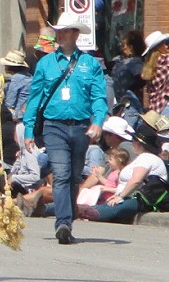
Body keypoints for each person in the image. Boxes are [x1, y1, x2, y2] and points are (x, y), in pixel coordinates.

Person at [22, 13, 108, 245]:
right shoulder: (45, 63)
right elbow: (35, 98)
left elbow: (99, 96)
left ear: (76, 34)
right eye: (58, 30)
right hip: (54, 127)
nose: (60, 34)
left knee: (72, 176)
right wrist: (29, 130)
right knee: (60, 173)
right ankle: (63, 222)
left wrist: (98, 121)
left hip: (80, 127)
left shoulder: (90, 64)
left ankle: (67, 219)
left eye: (65, 30)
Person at [81, 116, 168, 224]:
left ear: (139, 144)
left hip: (138, 199)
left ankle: (74, 210)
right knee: (93, 208)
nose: (131, 143)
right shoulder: (142, 157)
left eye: (134, 141)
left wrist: (120, 196)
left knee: (93, 212)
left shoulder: (147, 158)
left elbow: (136, 180)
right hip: (127, 197)